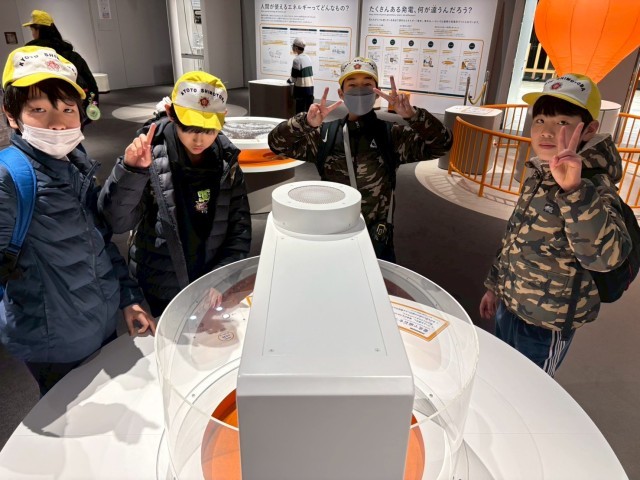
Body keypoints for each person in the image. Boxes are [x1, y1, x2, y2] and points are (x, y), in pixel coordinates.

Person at [0, 46, 155, 396]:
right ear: (12, 114)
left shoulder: (75, 163)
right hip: (53, 344)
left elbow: (98, 238)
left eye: (67, 109)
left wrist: (127, 299)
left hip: (100, 322)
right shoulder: (9, 178)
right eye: (38, 109)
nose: (57, 123)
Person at [479, 73, 632, 376]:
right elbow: (513, 236)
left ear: (589, 129)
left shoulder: (595, 186)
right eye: (540, 120)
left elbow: (605, 259)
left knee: (530, 389)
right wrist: (494, 286)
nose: (547, 131)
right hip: (510, 304)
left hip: (547, 323)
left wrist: (574, 191)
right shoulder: (538, 174)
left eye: (562, 122)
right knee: (500, 375)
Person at [268, 56, 453, 262]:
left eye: (366, 85)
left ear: (376, 92)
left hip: (375, 241)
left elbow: (442, 145)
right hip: (333, 236)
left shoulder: (391, 135)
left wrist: (414, 116)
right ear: (341, 93)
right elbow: (277, 144)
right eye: (352, 85)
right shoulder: (326, 135)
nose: (359, 91)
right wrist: (305, 123)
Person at [98, 71, 251, 317]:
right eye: (189, 127)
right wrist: (131, 171)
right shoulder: (148, 155)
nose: (199, 139)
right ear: (171, 114)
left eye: (209, 129)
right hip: (160, 284)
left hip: (210, 286)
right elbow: (116, 222)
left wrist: (221, 277)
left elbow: (239, 229)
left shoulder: (227, 161)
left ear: (223, 118)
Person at [22, 9, 99, 116]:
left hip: (41, 112)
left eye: (32, 30)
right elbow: (91, 84)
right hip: (73, 109)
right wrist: (92, 108)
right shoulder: (72, 55)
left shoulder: (29, 56)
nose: (33, 35)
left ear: (38, 29)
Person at [287, 38, 314, 114]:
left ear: (296, 48)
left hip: (301, 90)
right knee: (308, 113)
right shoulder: (308, 58)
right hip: (310, 89)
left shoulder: (297, 60)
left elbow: (293, 78)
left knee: (300, 113)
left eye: (293, 46)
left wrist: (289, 80)